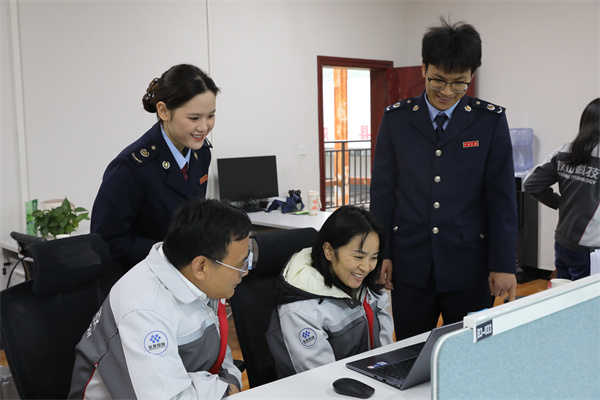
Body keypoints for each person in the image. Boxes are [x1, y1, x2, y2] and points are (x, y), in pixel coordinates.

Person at [369, 18, 518, 341]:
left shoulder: (489, 121)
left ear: (472, 76)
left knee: (470, 354)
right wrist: (382, 253)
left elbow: (502, 199)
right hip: (410, 264)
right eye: (437, 80)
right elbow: (382, 194)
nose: (447, 92)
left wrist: (504, 264)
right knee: (409, 350)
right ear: (424, 68)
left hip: (469, 265)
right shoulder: (397, 119)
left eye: (459, 83)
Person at [68, 198, 251, 399]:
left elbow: (222, 358)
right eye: (240, 265)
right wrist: (222, 389)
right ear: (201, 266)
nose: (245, 272)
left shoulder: (199, 279)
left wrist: (228, 383)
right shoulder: (144, 309)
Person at [91, 64, 219, 271]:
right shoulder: (131, 167)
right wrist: (171, 253)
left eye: (210, 116)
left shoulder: (201, 153)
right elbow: (106, 242)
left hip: (184, 273)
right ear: (164, 111)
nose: (204, 127)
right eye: (194, 118)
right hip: (142, 276)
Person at [266, 206, 394, 377]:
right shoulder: (301, 310)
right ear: (329, 251)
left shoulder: (366, 288)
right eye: (358, 257)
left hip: (370, 380)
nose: (366, 267)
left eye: (374, 257)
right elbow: (322, 378)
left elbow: (386, 350)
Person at [524, 98, 600, 280]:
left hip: (563, 241)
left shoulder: (565, 150)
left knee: (564, 290)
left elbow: (531, 183)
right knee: (586, 297)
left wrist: (561, 203)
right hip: (591, 249)